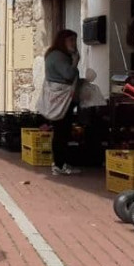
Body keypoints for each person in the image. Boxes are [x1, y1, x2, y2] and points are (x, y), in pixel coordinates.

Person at [41, 28, 82, 176]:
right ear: (62, 41)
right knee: (62, 131)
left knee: (61, 130)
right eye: (71, 40)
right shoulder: (59, 56)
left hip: (58, 98)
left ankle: (60, 163)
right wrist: (75, 62)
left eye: (74, 40)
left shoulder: (54, 55)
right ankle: (59, 164)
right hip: (62, 99)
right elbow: (69, 75)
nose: (74, 43)